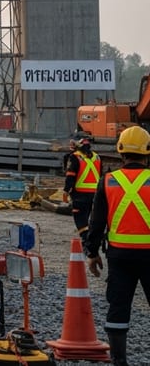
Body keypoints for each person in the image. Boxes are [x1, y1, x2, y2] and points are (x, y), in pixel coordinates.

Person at [85, 126, 150, 366]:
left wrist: (91, 253)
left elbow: (97, 222)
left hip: (119, 256)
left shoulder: (109, 181)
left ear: (120, 150)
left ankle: (119, 360)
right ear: (147, 151)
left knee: (118, 307)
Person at [64, 133, 100, 240]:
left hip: (80, 195)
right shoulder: (97, 157)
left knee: (80, 221)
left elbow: (70, 176)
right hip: (95, 195)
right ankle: (92, 237)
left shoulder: (75, 157)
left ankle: (86, 241)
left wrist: (66, 191)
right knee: (90, 218)